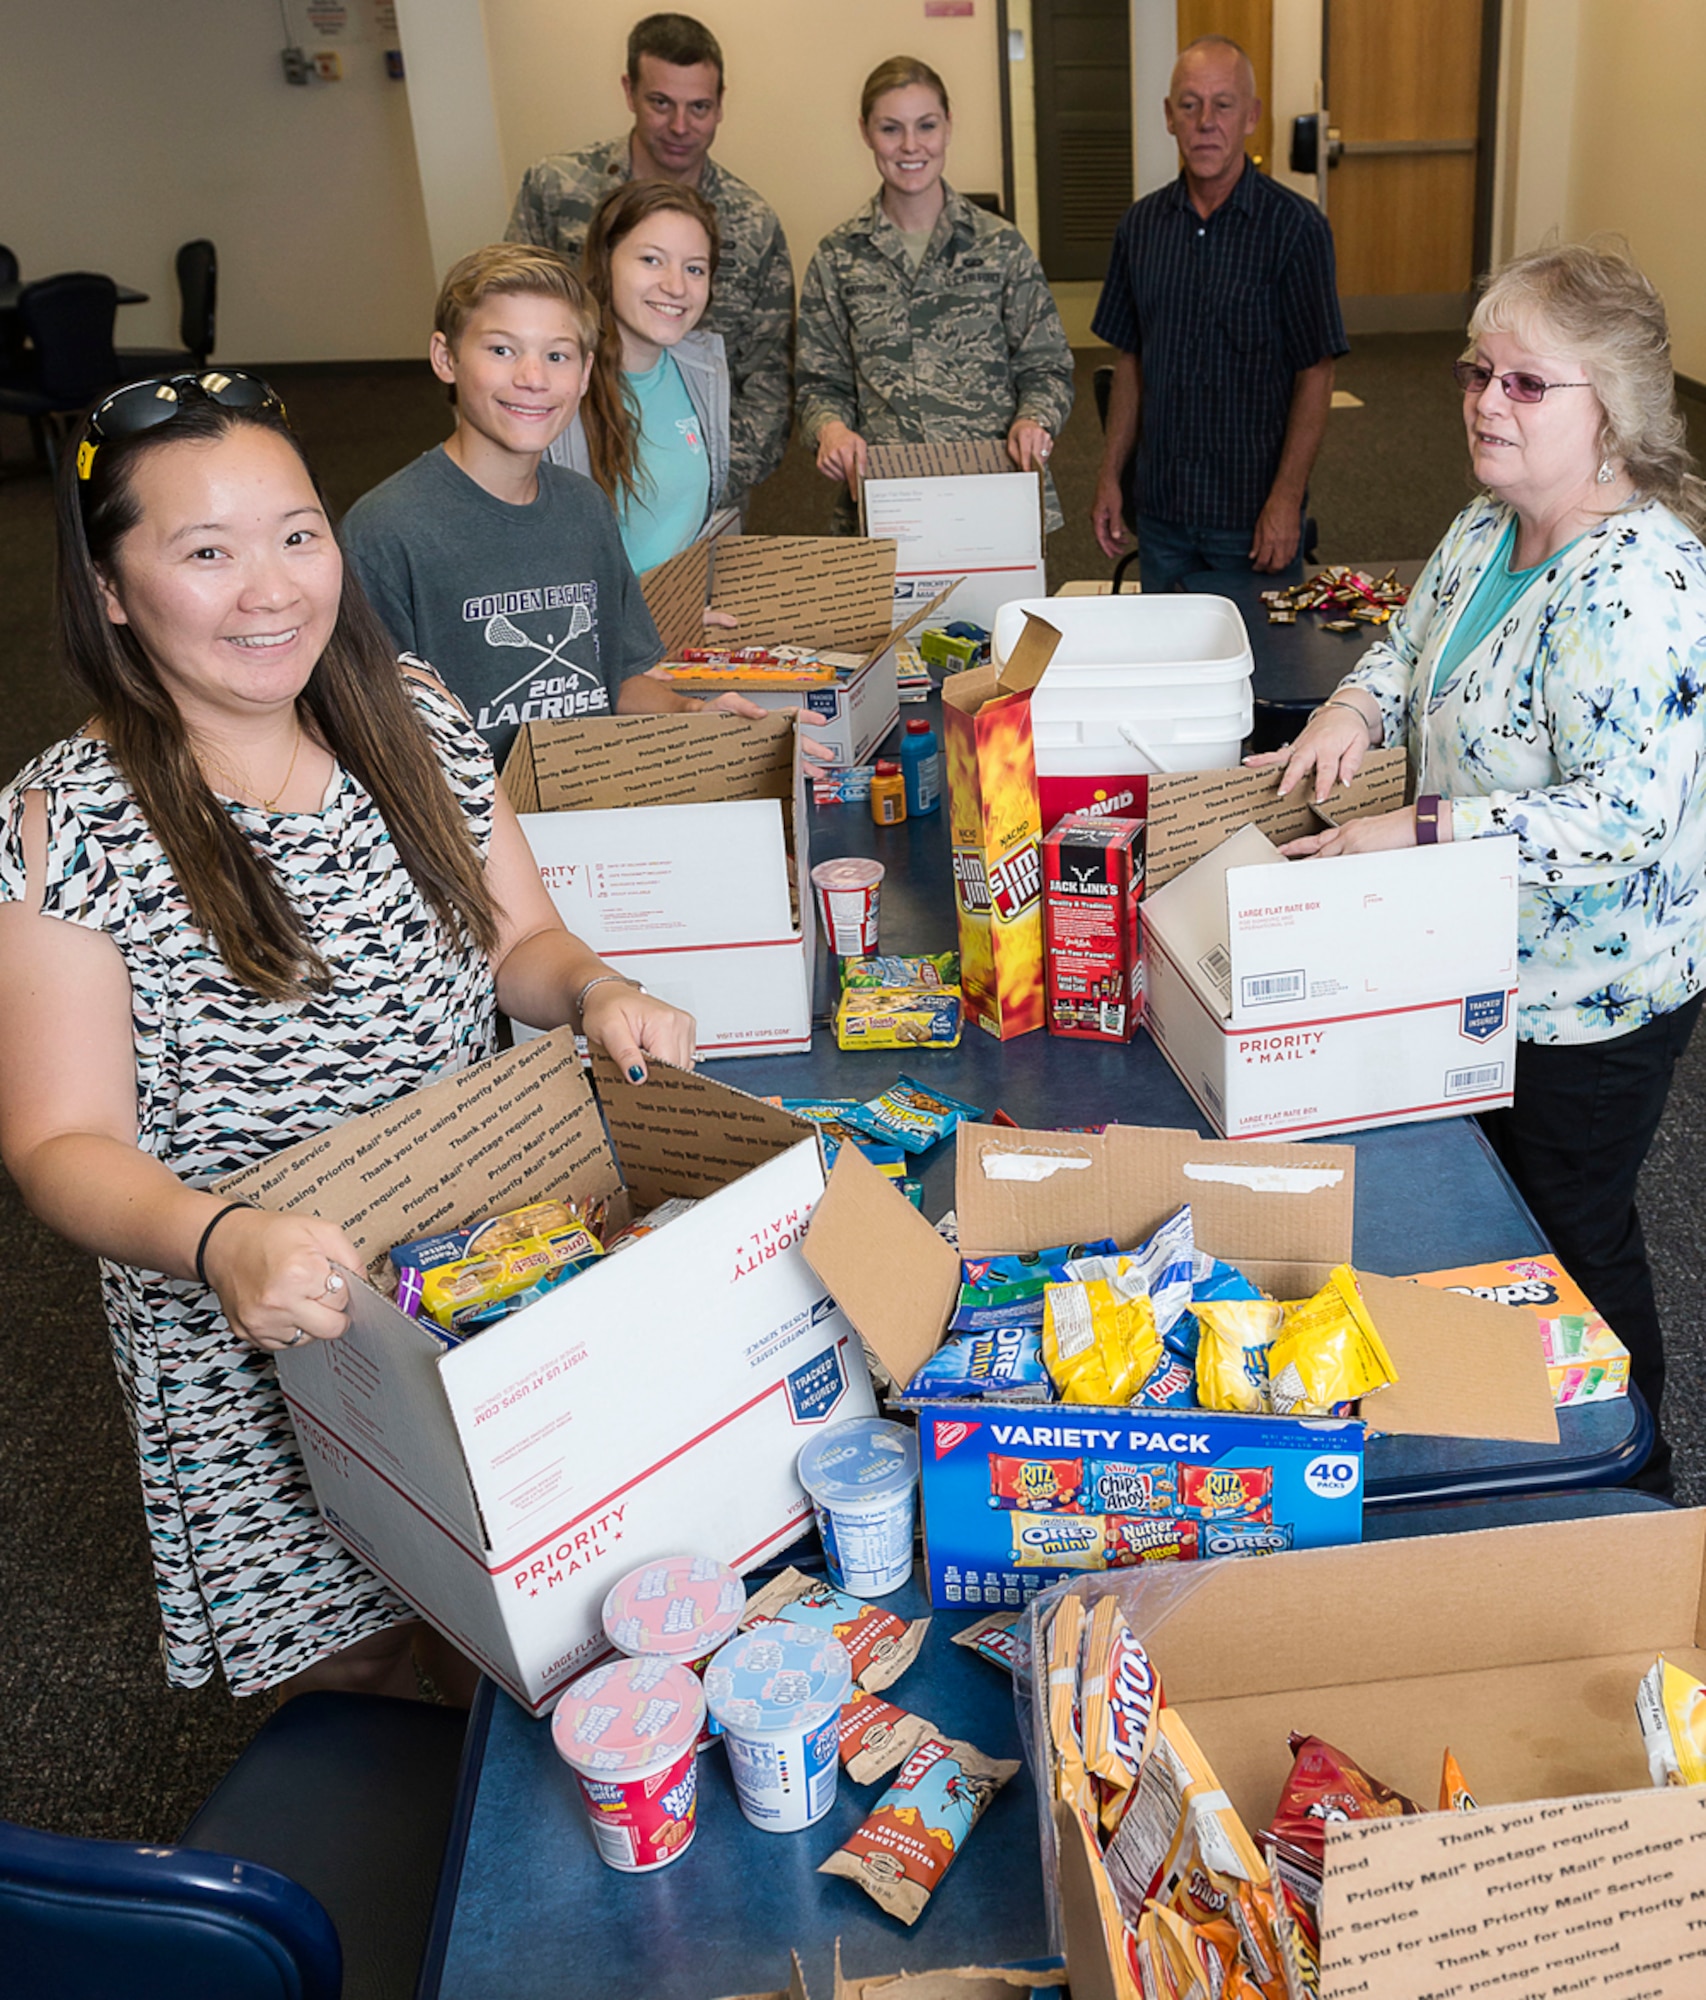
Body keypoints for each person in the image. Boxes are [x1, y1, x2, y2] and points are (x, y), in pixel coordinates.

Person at [0, 371, 698, 1701]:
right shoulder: (65, 824)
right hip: (266, 1339)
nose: (272, 590)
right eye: (205, 552)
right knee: (380, 1672)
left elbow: (520, 947)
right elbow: (56, 1144)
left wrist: (598, 987)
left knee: (539, 1617)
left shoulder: (413, 714)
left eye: (297, 533)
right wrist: (222, 1240)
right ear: (108, 589)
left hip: (473, 1281)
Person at [1252, 242, 1706, 1497]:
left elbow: (1621, 816)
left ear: (1606, 408)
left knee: (1570, 1231)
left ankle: (1629, 1475)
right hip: (1470, 955)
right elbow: (1405, 645)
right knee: (1482, 1220)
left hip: (1589, 993)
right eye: (1473, 371)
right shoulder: (1485, 521)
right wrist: (1351, 707)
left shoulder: (1640, 583)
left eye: (1523, 385)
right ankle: (1499, 1432)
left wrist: (1420, 827)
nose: (1481, 401)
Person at [341, 244, 805, 772]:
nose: (533, 378)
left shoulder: (585, 509)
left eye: (557, 356)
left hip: (591, 809)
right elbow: (373, 741)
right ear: (446, 358)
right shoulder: (385, 533)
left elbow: (620, 679)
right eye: (501, 350)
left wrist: (693, 712)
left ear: (584, 374)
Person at [1090, 35, 1347, 595]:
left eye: (1223, 104)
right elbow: (1128, 363)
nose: (1205, 121)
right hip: (1161, 510)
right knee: (1166, 668)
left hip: (1250, 517)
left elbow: (1316, 373)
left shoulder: (1296, 229)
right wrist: (1111, 476)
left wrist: (1286, 499)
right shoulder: (1140, 229)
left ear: (1251, 116)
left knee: (1262, 673)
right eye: (1189, 104)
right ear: (1168, 117)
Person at [505, 12, 792, 510]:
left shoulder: (753, 222)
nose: (680, 126)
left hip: (699, 491)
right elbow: (505, 334)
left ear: (721, 104)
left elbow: (767, 380)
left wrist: (697, 479)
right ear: (629, 91)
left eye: (699, 107)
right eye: (661, 103)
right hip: (563, 482)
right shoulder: (557, 190)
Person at [796, 55, 1074, 534]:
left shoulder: (1000, 246)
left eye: (926, 125)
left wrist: (1035, 419)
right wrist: (831, 429)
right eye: (890, 129)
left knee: (1002, 614)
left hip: (996, 493)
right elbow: (819, 384)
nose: (910, 146)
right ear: (865, 131)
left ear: (948, 126)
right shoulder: (839, 257)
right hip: (887, 501)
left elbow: (1046, 366)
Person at [549, 179, 735, 573]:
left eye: (695, 268)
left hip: (680, 620)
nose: (676, 286)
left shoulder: (702, 371)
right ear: (606, 261)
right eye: (651, 260)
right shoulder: (553, 384)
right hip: (595, 628)